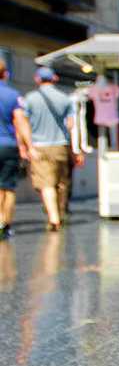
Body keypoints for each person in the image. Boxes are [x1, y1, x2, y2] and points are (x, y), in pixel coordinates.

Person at [24, 67, 80, 231]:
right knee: (61, 183)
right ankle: (60, 212)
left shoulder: (30, 99)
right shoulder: (65, 98)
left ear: (37, 79)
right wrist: (74, 149)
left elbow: (24, 123)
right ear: (54, 79)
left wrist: (27, 146)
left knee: (46, 183)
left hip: (39, 146)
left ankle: (53, 217)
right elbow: (71, 125)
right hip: (60, 145)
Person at [0, 59, 32, 239]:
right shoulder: (13, 95)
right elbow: (20, 121)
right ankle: (5, 224)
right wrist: (29, 146)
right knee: (8, 188)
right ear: (5, 74)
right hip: (8, 146)